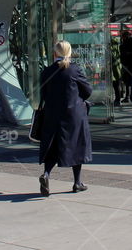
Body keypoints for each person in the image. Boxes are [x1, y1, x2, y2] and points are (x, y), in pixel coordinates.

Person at [38, 40, 92, 196]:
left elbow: (44, 95)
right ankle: (77, 182)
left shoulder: (47, 71)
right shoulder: (75, 70)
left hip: (52, 115)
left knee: (53, 147)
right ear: (69, 53)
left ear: (55, 53)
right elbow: (87, 91)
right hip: (73, 115)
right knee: (77, 146)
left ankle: (46, 174)